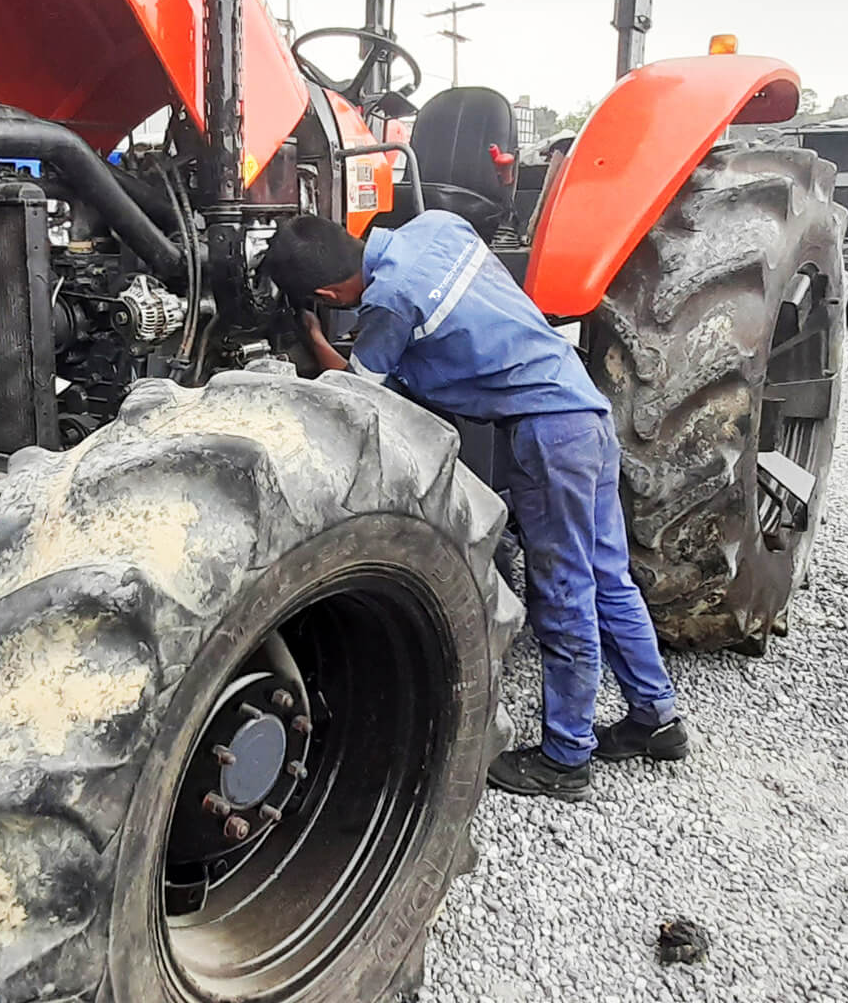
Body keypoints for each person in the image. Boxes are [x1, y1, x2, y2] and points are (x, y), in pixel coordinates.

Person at [261, 211, 688, 801]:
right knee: (608, 575)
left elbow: (356, 397)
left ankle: (566, 758)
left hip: (547, 437)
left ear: (328, 295)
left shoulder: (388, 302)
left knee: (562, 592)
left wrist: (311, 342)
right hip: (586, 415)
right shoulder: (437, 226)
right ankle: (656, 718)